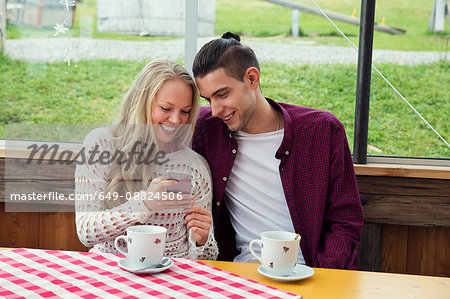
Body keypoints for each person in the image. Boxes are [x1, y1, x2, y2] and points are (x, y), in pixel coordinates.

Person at [191, 32, 363, 269]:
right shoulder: (209, 128)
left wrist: (321, 276)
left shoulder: (322, 131)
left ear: (252, 79)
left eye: (222, 94)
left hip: (313, 271)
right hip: (244, 272)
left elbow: (345, 221)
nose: (215, 109)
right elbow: (158, 118)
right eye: (208, 99)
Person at [75, 59, 218, 260]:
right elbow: (85, 231)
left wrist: (202, 241)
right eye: (166, 109)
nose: (176, 120)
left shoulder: (194, 166)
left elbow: (206, 258)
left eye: (185, 111)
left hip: (173, 277)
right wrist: (145, 203)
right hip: (112, 273)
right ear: (142, 102)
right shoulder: (101, 145)